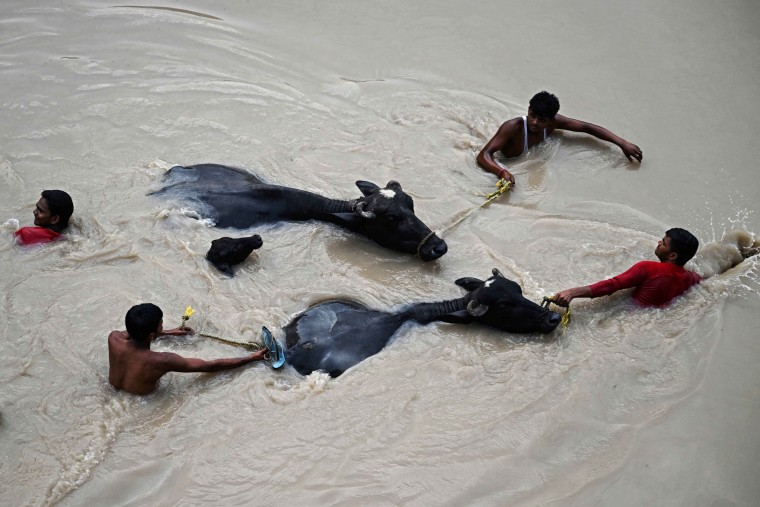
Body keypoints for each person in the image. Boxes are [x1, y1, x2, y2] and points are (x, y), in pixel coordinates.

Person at [477, 91, 643, 186]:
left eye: (541, 119)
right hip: (503, 161)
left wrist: (621, 142)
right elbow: (483, 155)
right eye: (532, 115)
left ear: (551, 120)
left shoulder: (554, 123)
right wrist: (501, 171)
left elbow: (587, 128)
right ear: (528, 109)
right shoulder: (513, 127)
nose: (534, 122)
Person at [108, 303, 267, 395]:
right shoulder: (162, 360)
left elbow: (133, 333)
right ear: (151, 334)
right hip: (144, 400)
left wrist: (170, 332)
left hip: (113, 390)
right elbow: (208, 366)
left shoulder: (114, 338)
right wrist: (251, 358)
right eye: (161, 324)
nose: (162, 325)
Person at [552, 228, 701, 308]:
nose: (658, 242)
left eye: (663, 243)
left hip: (627, 312)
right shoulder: (689, 278)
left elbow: (612, 285)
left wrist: (572, 292)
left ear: (672, 256)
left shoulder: (648, 268)